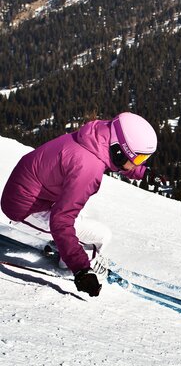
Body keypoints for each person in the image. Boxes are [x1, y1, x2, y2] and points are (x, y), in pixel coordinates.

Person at [1, 112, 157, 298]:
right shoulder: (88, 168)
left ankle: (72, 250)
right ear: (119, 149)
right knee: (101, 236)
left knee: (90, 227)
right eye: (138, 159)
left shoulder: (97, 136)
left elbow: (120, 161)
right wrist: (81, 270)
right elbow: (61, 221)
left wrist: (142, 173)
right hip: (24, 206)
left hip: (36, 193)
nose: (138, 163)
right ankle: (72, 264)